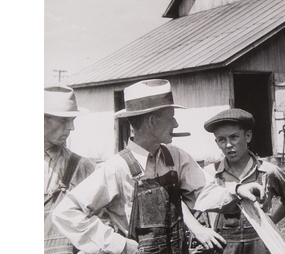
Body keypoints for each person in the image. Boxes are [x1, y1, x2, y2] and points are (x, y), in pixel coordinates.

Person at [52, 79, 225, 254]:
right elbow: (66, 213)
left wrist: (237, 191)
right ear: (151, 121)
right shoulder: (116, 168)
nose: (175, 124)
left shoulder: (176, 157)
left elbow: (204, 192)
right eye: (171, 117)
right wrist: (119, 245)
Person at [194, 108, 285, 254]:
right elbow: (195, 205)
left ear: (248, 136)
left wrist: (271, 222)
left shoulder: (268, 170)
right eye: (222, 139)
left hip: (261, 243)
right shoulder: (211, 173)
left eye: (234, 137)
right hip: (224, 246)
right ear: (217, 142)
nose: (228, 145)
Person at [45, 85, 96, 254]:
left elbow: (101, 220)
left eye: (72, 120)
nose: (71, 127)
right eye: (63, 120)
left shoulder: (81, 167)